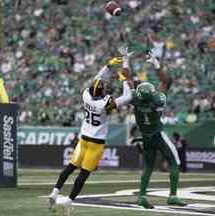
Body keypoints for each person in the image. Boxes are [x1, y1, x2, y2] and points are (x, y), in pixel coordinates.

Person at [47, 53, 133, 215]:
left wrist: (108, 65)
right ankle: (69, 201)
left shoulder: (86, 95)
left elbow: (96, 79)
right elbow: (127, 96)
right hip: (96, 143)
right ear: (102, 92)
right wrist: (123, 79)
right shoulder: (104, 104)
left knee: (70, 167)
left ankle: (54, 192)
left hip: (83, 139)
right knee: (84, 174)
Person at [130, 80, 186, 208]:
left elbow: (129, 88)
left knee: (148, 167)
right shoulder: (157, 101)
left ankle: (142, 196)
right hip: (157, 134)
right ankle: (173, 196)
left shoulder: (135, 100)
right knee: (174, 162)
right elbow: (163, 88)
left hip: (145, 136)